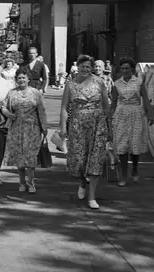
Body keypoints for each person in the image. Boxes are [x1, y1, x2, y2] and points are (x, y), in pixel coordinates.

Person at [59, 54, 112, 210]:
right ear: (78, 67)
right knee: (80, 159)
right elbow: (64, 107)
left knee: (95, 159)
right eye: (82, 66)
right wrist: (63, 128)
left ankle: (92, 197)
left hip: (98, 124)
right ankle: (82, 181)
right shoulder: (70, 84)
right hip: (77, 124)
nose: (85, 69)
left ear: (92, 68)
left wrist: (110, 126)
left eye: (88, 66)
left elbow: (106, 106)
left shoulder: (99, 82)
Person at [1, 69, 48, 194]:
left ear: (28, 79)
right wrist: (8, 114)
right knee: (19, 157)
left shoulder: (36, 93)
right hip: (16, 128)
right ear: (16, 80)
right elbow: (3, 107)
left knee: (31, 157)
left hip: (32, 128)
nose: (21, 80)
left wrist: (44, 127)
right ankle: (21, 182)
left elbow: (41, 111)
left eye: (24, 77)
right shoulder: (12, 93)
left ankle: (31, 182)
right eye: (19, 78)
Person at [111, 57, 154, 186]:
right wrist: (109, 116)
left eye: (127, 68)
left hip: (136, 113)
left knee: (135, 143)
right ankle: (123, 175)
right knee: (122, 145)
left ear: (132, 69)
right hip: (121, 114)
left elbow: (145, 98)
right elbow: (114, 101)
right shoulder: (116, 84)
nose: (125, 71)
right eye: (122, 68)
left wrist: (150, 113)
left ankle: (135, 167)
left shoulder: (139, 82)